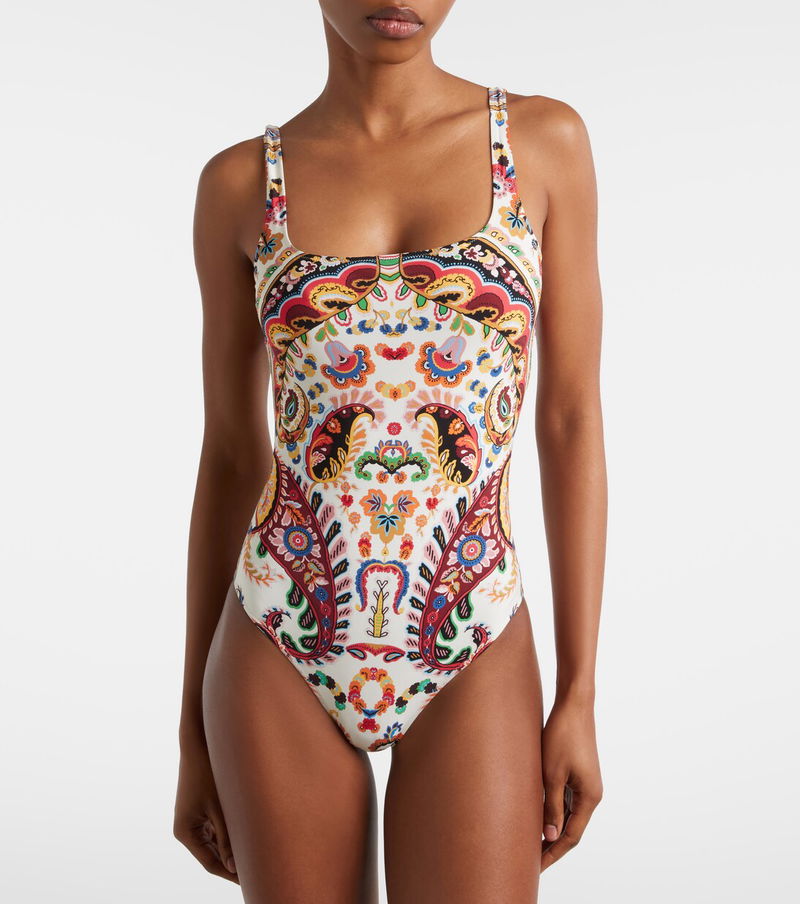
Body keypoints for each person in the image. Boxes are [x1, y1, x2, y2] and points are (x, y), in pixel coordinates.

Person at [173, 2, 606, 901]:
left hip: (472, 623)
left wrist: (579, 693)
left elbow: (569, 421)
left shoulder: (541, 144)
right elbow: (230, 456)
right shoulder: (240, 184)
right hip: (279, 630)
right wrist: (190, 734)